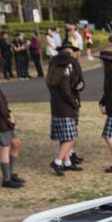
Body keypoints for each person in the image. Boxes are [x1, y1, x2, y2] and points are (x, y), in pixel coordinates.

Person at [47, 43, 81, 176]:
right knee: (71, 137)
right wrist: (75, 103)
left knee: (64, 137)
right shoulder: (64, 74)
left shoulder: (53, 72)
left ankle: (66, 163)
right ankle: (57, 161)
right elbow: (67, 93)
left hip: (56, 107)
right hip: (66, 108)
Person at [0, 86, 24, 188]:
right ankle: (6, 180)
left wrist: (9, 114)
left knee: (16, 144)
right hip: (2, 124)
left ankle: (10, 173)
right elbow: (2, 108)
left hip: (6, 122)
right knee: (5, 147)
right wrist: (10, 119)